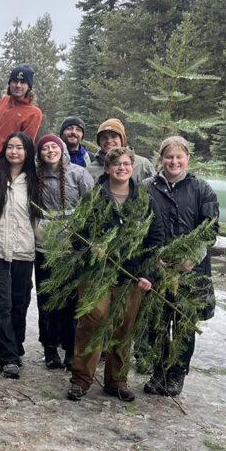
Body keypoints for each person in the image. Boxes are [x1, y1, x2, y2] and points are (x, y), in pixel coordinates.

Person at [67, 146, 164, 402]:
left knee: (124, 328)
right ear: (107, 168)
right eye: (116, 164)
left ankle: (116, 380)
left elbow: (155, 240)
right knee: (91, 323)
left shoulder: (144, 200)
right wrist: (91, 247)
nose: (122, 168)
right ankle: (81, 380)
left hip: (131, 277)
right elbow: (77, 234)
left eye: (126, 163)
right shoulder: (94, 197)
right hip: (97, 275)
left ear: (132, 167)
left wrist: (148, 274)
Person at [144, 136, 218, 397]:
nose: (174, 161)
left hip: (191, 272)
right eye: (168, 156)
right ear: (160, 159)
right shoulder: (147, 188)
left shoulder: (201, 189)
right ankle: (159, 371)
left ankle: (177, 374)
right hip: (159, 270)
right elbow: (141, 228)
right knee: (158, 323)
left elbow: (209, 230)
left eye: (179, 156)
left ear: (187, 158)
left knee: (184, 325)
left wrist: (192, 257)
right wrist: (154, 258)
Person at [0, 132, 42, 379]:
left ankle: (15, 345)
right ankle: (7, 356)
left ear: (27, 151)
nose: (14, 151)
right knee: (0, 302)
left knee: (20, 302)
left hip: (23, 249)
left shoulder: (35, 179)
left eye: (19, 147)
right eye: (10, 146)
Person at [34, 134, 94, 370]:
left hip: (72, 248)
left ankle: (71, 347)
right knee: (46, 298)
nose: (50, 151)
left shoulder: (78, 173)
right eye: (45, 148)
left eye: (53, 147)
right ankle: (49, 347)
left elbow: (91, 207)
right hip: (44, 247)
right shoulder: (35, 177)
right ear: (40, 154)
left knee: (72, 299)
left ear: (61, 150)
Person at [86, 118, 154, 185]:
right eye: (104, 137)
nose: (109, 141)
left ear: (122, 140)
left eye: (114, 136)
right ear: (99, 141)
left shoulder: (142, 165)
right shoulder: (90, 170)